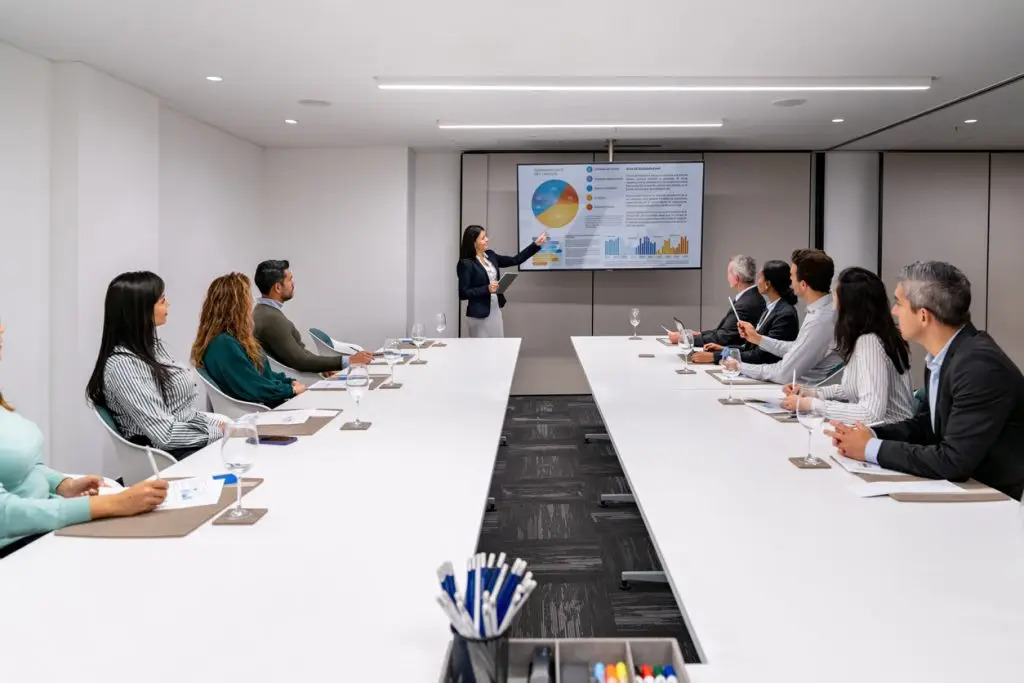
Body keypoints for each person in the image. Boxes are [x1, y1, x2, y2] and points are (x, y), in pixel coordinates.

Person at [827, 261, 1024, 500]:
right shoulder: (945, 356)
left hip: (989, 500)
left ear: (923, 316)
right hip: (959, 489)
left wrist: (870, 449)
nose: (894, 312)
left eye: (899, 303)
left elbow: (953, 461)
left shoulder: (979, 366)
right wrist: (871, 433)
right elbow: (926, 427)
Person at [1, 319, 168, 557]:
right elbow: (5, 515)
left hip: (45, 525)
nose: (2, 328)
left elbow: (22, 465)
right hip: (18, 545)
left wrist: (62, 484)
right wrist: (114, 504)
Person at [86, 272, 225, 460]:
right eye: (161, 300)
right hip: (171, 457)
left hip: (187, 442)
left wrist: (221, 427)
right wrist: (218, 432)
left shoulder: (150, 349)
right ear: (140, 310)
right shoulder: (123, 366)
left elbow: (180, 413)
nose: (167, 304)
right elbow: (165, 435)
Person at [782, 267, 914, 424]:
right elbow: (851, 389)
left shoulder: (869, 341)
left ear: (848, 304)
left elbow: (870, 413)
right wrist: (810, 393)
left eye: (835, 294)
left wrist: (811, 405)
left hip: (888, 437)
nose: (833, 303)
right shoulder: (877, 335)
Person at [726, 249, 843, 384]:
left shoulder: (820, 320)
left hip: (804, 390)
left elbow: (783, 373)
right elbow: (797, 348)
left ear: (803, 284)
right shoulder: (823, 311)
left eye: (792, 275)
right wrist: (758, 339)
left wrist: (739, 366)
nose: (790, 280)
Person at [191, 273, 306, 408]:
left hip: (265, 406)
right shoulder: (223, 344)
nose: (251, 303)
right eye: (247, 298)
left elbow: (260, 375)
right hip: (259, 412)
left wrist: (289, 383)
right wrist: (290, 390)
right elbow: (254, 387)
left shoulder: (231, 339)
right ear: (236, 307)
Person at [252, 259, 372, 373]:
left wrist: (322, 367)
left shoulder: (262, 312)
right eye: (289, 280)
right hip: (300, 383)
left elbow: (299, 356)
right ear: (278, 287)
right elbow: (301, 361)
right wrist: (348, 360)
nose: (293, 284)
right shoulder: (271, 319)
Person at [691, 259, 799, 365]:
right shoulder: (771, 308)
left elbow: (760, 356)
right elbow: (750, 348)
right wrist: (724, 349)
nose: (757, 281)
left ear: (767, 284)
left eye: (760, 277)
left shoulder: (785, 314)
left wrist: (716, 356)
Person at [457, 225, 548, 338]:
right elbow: (463, 293)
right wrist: (487, 288)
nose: (487, 239)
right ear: (474, 242)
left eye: (486, 236)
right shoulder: (466, 263)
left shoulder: (490, 255)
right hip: (478, 315)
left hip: (495, 311)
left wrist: (535, 245)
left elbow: (515, 260)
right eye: (483, 237)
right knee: (481, 351)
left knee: (498, 346)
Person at [670, 255, 765, 348]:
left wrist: (686, 339)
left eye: (728, 273)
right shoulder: (752, 297)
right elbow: (724, 331)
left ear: (736, 279)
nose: (727, 276)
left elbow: (723, 337)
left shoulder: (745, 304)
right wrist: (699, 334)